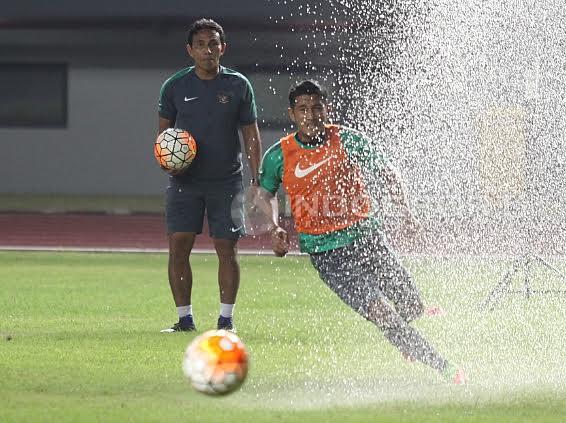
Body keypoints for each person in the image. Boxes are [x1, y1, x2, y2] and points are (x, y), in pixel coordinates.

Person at [252, 80, 465, 384]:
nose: (310, 115)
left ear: (327, 109)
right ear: (292, 114)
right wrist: (274, 227)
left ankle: (404, 338)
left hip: (367, 239)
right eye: (303, 109)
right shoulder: (279, 155)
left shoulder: (348, 141)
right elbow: (265, 194)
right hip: (328, 255)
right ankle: (441, 365)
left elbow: (388, 173)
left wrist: (405, 213)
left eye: (316, 108)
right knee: (381, 312)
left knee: (411, 304)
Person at [156, 18, 262, 333]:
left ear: (223, 48)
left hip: (226, 181)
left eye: (213, 44)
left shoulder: (238, 85)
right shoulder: (174, 86)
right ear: (190, 50)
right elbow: (162, 139)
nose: (207, 50)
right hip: (184, 183)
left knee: (227, 249)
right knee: (178, 246)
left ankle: (225, 321)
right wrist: (167, 163)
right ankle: (184, 319)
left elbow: (252, 138)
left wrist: (256, 182)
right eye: (200, 45)